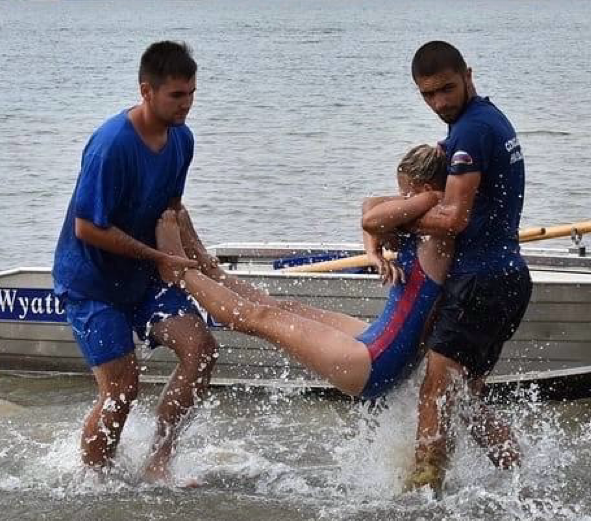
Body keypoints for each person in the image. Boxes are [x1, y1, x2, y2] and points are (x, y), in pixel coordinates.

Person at [153, 144, 452, 401]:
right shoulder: (428, 222)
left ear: (427, 191)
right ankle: (208, 267)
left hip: (375, 363)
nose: (401, 199)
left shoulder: (439, 235)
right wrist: (373, 252)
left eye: (406, 193)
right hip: (381, 340)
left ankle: (178, 269)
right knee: (284, 307)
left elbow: (371, 220)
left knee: (258, 317)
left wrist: (427, 200)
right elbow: (370, 205)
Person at [53, 40, 216, 482]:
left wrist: (201, 258)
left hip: (142, 278)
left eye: (192, 93)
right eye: (176, 95)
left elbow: (173, 209)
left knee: (201, 351)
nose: (187, 104)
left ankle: (159, 461)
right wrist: (160, 256)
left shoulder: (182, 139)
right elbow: (88, 227)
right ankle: (94, 481)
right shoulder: (112, 146)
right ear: (147, 91)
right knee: (122, 391)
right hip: (91, 284)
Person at [405, 41, 531, 491]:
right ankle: (520, 481)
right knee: (463, 400)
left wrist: (400, 220)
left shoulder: (472, 131)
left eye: (447, 89)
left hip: (481, 281)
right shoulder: (488, 120)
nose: (439, 102)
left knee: (436, 392)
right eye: (428, 94)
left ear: (468, 76)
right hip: (507, 278)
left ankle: (422, 494)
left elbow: (454, 218)